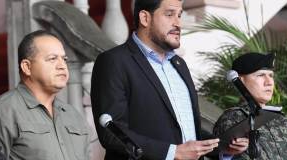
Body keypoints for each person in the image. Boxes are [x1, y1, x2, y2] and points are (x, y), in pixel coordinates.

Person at [91, 0, 248, 159]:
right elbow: (111, 133)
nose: (178, 23)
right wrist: (173, 153)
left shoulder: (180, 65)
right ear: (145, 18)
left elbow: (188, 133)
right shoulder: (114, 61)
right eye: (169, 14)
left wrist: (223, 148)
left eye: (179, 15)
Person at [0, 30, 91, 160]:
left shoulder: (73, 115)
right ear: (27, 67)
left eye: (64, 59)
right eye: (52, 59)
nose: (62, 66)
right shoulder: (1, 112)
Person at [213, 52, 287, 160]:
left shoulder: (283, 120)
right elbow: (226, 152)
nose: (269, 82)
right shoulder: (233, 118)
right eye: (260, 75)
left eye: (271, 76)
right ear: (240, 81)